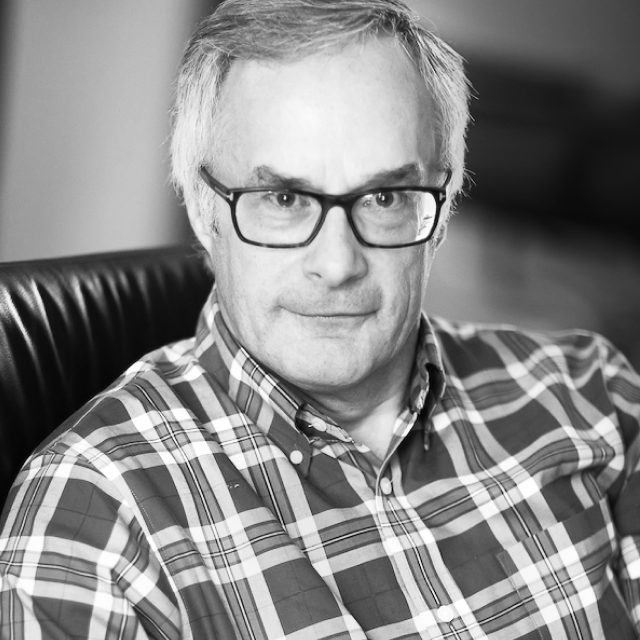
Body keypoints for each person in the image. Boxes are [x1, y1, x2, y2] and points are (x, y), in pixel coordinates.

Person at [1, 0, 640, 637]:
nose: (337, 264)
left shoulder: (591, 394)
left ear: (441, 209)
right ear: (202, 208)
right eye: (284, 198)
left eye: (385, 196)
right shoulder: (95, 513)